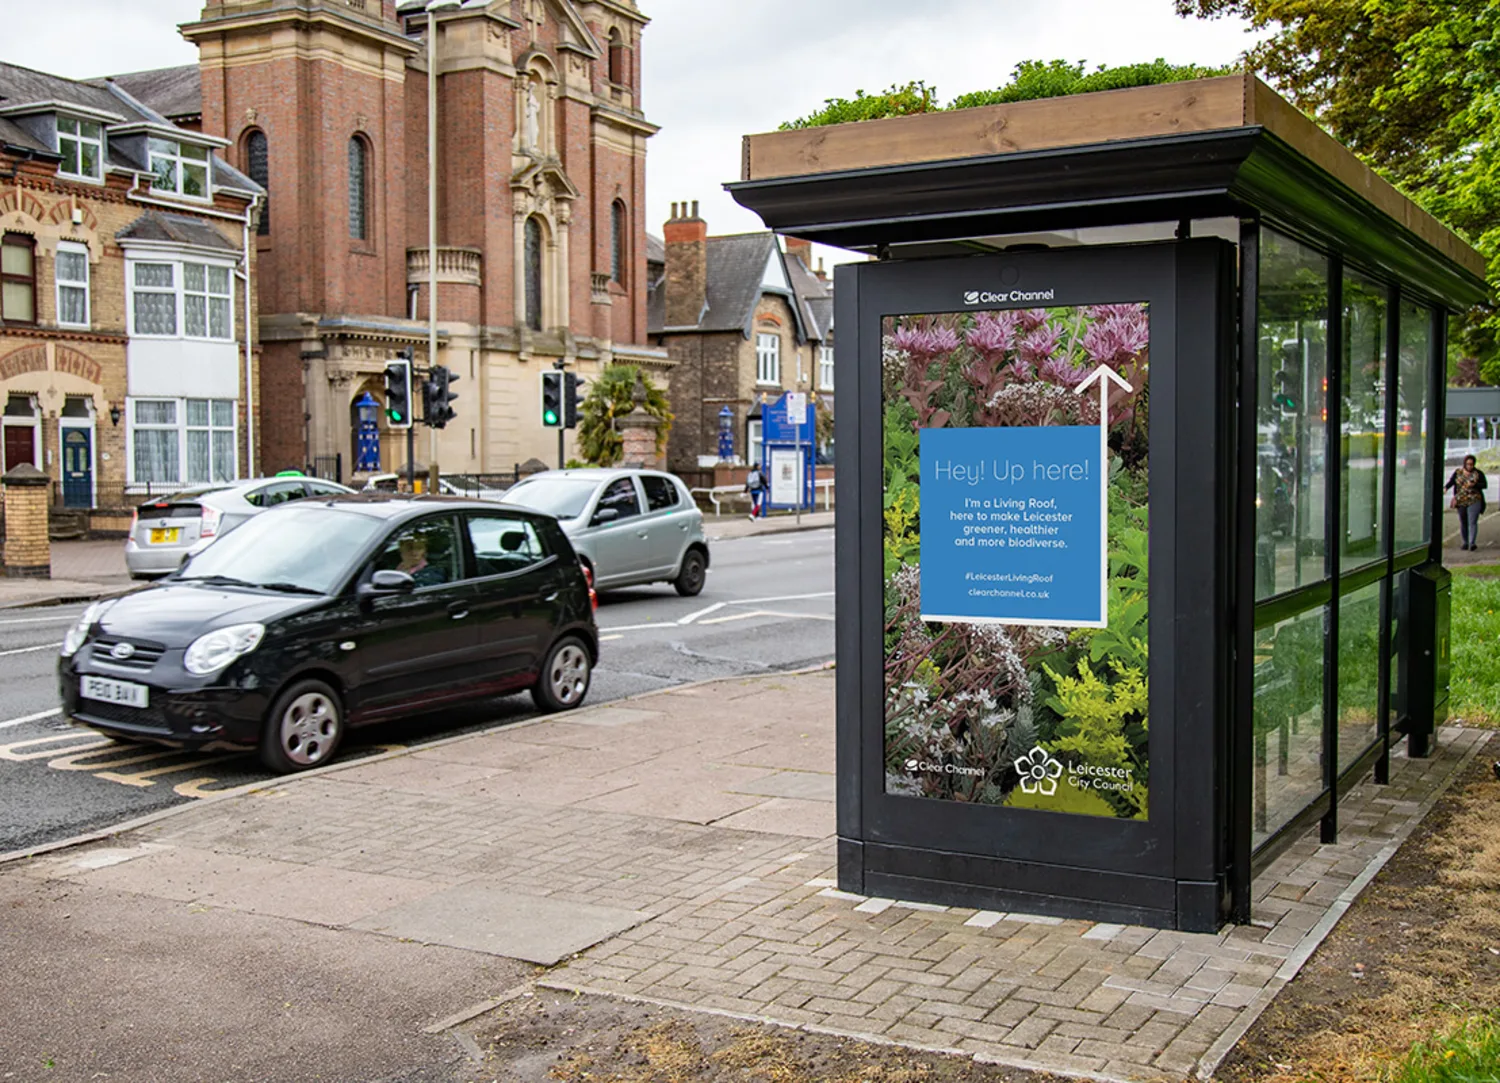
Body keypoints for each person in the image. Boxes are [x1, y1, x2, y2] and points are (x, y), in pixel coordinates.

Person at [1444, 454, 1489, 551]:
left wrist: (1475, 485)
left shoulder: (1478, 473)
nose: (1470, 466)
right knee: (1463, 521)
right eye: (1468, 464)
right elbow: (1452, 481)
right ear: (1464, 464)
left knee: (1472, 522)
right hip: (1461, 500)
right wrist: (1446, 488)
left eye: (1471, 464)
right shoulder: (1458, 472)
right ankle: (1465, 542)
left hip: (1474, 499)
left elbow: (1484, 485)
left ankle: (1472, 543)